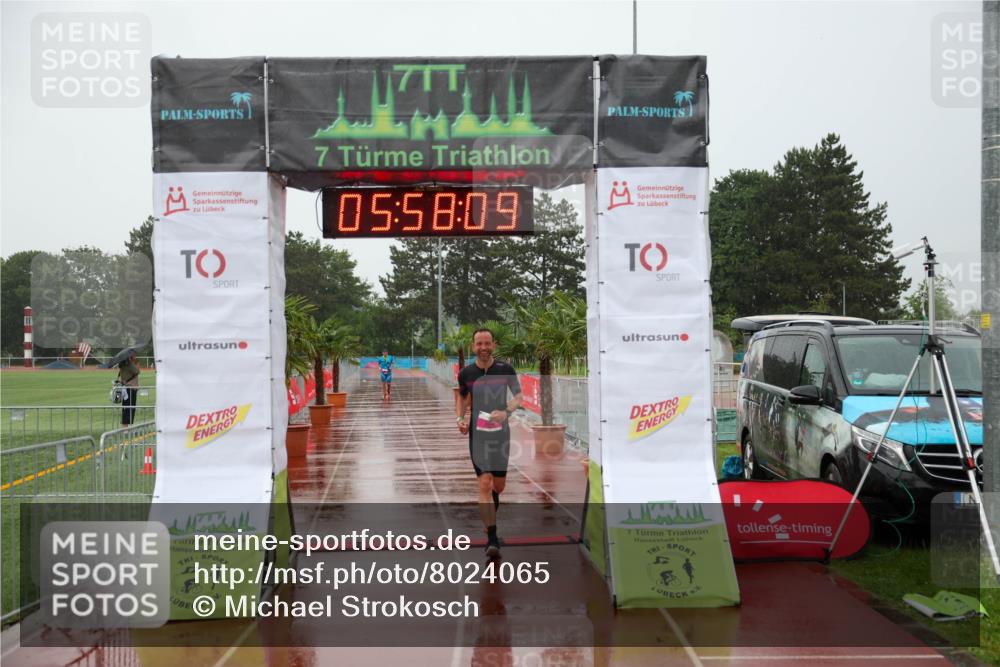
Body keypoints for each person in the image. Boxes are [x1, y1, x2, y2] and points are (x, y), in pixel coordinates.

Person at [456, 328, 522, 558]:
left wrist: (506, 412)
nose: (483, 347)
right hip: (478, 436)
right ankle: (492, 538)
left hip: (500, 434)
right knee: (484, 483)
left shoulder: (505, 369)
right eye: (478, 344)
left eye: (487, 343)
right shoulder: (466, 373)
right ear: (473, 346)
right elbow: (462, 397)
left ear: (493, 344)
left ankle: (490, 514)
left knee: (498, 487)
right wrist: (460, 418)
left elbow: (518, 397)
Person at [117, 352, 141, 426]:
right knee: (128, 408)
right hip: (129, 388)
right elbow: (137, 371)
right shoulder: (128, 364)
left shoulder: (123, 364)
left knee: (128, 408)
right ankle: (125, 428)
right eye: (133, 354)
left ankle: (127, 427)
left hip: (128, 388)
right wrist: (134, 363)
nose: (135, 356)